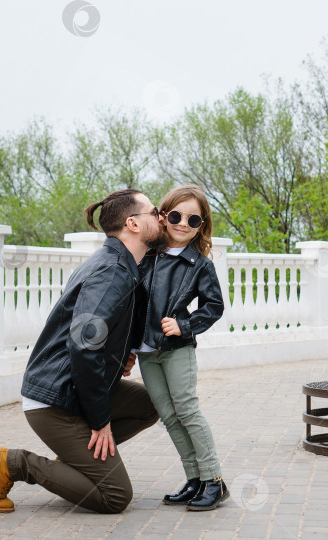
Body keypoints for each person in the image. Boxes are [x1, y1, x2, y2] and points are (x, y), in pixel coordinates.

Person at [0, 189, 165, 514]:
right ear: (133, 224)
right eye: (155, 211)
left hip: (75, 390)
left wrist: (122, 354)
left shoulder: (119, 263)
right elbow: (83, 343)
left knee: (153, 404)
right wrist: (100, 421)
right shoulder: (112, 272)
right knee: (115, 496)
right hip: (55, 401)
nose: (162, 217)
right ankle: (13, 463)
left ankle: (75, 463)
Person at [136, 184, 228, 511]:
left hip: (177, 349)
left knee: (187, 410)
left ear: (201, 226)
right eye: (176, 215)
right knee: (169, 415)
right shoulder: (145, 255)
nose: (182, 224)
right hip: (147, 351)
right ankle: (195, 477)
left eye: (193, 220)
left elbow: (213, 306)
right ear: (163, 216)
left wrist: (184, 324)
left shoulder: (199, 264)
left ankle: (214, 480)